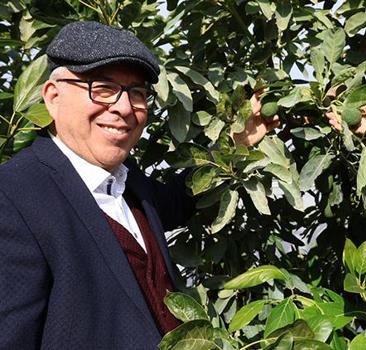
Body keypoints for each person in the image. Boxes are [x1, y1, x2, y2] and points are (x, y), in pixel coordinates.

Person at [0, 21, 277, 349]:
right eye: (102, 88)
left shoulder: (125, 182)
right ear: (53, 97)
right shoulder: (14, 197)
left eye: (137, 92)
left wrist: (239, 140)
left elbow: (176, 200)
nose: (123, 107)